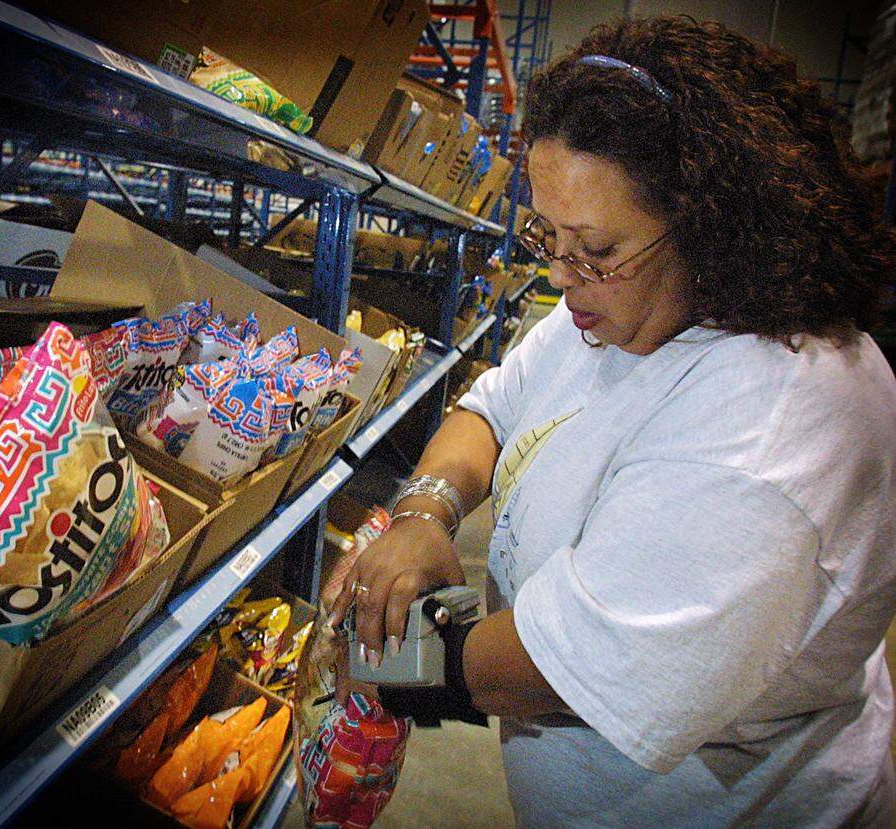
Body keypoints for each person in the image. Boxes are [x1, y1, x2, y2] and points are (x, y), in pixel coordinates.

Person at [328, 15, 896, 828]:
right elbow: (495, 402)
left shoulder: (770, 429)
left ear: (711, 223)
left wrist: (382, 654)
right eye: (548, 239)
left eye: (590, 248)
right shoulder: (623, 299)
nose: (564, 281)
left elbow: (569, 667)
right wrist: (426, 512)